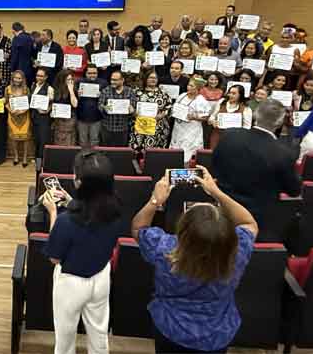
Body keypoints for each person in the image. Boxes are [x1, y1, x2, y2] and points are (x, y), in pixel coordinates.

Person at [131, 167, 258, 353]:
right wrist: (216, 192)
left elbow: (138, 228)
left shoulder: (165, 249)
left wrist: (155, 200)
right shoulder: (237, 249)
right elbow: (249, 223)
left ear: (183, 231)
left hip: (171, 329)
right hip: (218, 332)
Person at [43, 151, 124, 354]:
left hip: (71, 283)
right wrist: (71, 201)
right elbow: (92, 213)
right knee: (99, 335)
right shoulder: (116, 209)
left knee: (65, 339)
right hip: (101, 276)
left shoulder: (66, 221)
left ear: (79, 182)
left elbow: (54, 257)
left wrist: (53, 212)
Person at [212, 99, 301, 219]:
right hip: (259, 218)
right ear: (280, 122)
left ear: (255, 114)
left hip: (223, 210)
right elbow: (294, 190)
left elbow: (215, 167)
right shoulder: (284, 154)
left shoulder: (230, 135)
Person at [169, 77, 211, 163]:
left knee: (187, 153)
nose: (189, 87)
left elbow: (205, 117)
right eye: (188, 85)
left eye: (192, 86)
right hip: (178, 128)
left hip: (192, 130)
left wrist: (194, 117)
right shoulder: (182, 95)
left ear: (198, 88)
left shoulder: (201, 100)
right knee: (176, 151)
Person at [130, 71, 173, 154]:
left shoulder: (163, 94)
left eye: (155, 78)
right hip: (139, 126)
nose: (153, 80)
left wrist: (162, 115)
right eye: (151, 77)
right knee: (136, 151)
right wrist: (133, 112)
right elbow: (131, 106)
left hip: (155, 127)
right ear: (145, 79)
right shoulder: (136, 92)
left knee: (151, 153)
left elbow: (169, 107)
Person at [98, 70, 136, 147]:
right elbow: (100, 105)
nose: (112, 82)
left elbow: (134, 110)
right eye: (111, 79)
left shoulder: (130, 91)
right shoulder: (106, 90)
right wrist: (104, 108)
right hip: (107, 128)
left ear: (122, 80)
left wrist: (132, 110)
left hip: (123, 129)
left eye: (115, 80)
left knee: (120, 153)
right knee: (106, 152)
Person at [208, 84, 252, 149]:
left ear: (240, 95)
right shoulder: (222, 102)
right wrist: (213, 121)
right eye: (230, 93)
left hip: (235, 139)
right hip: (217, 136)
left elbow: (247, 127)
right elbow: (211, 117)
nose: (230, 95)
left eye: (234, 93)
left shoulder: (246, 109)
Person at [75, 65, 107, 148]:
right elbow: (73, 101)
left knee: (95, 140)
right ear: (85, 73)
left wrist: (102, 96)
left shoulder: (103, 83)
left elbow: (107, 101)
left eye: (94, 73)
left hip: (97, 117)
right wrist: (77, 95)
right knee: (82, 141)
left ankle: (94, 159)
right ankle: (82, 159)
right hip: (81, 117)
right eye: (90, 73)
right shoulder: (78, 82)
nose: (92, 75)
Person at [6, 70, 32, 167]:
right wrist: (10, 110)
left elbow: (30, 103)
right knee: (13, 138)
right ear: (12, 78)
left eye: (19, 78)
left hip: (24, 116)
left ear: (23, 79)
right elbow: (5, 102)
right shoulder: (8, 89)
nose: (17, 80)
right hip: (12, 116)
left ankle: (25, 157)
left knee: (25, 138)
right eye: (15, 78)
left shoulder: (26, 89)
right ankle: (16, 156)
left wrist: (23, 111)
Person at [30, 68, 55, 168]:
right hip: (35, 116)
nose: (39, 78)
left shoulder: (49, 89)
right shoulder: (33, 86)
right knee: (37, 140)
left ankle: (41, 164)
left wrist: (47, 110)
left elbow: (53, 103)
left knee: (43, 141)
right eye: (37, 75)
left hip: (44, 118)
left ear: (46, 77)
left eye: (41, 76)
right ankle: (37, 160)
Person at [51, 70, 78, 146]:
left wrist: (71, 90)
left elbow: (75, 104)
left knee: (69, 139)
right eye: (68, 79)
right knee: (59, 139)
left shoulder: (73, 89)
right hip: (58, 119)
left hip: (69, 119)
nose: (70, 81)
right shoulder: (55, 89)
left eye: (71, 79)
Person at [10, 22, 35, 87]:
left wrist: (12, 70)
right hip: (30, 70)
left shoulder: (16, 39)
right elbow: (33, 53)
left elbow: (14, 56)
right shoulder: (30, 38)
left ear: (13, 30)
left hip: (19, 71)